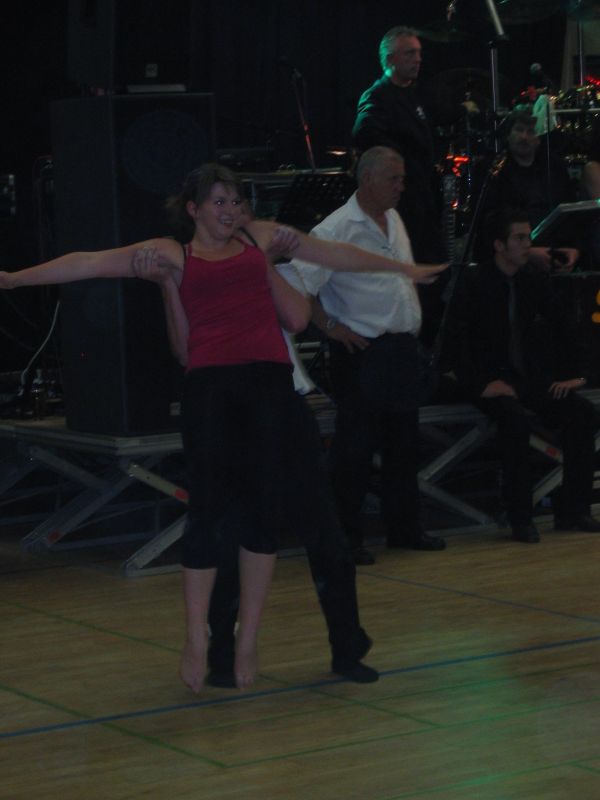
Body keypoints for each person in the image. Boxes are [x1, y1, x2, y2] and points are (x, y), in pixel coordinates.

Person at [0, 163, 446, 693]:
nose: (230, 211)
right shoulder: (173, 254)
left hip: (273, 391)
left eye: (236, 201)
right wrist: (14, 279)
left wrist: (403, 269)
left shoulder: (259, 240)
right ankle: (211, 646)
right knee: (219, 519)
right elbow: (90, 263)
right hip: (213, 393)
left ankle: (311, 644)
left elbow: (333, 256)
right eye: (218, 202)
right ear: (193, 209)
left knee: (299, 523)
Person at [281, 146, 447, 566]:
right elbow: (298, 283)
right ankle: (346, 537)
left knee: (403, 446)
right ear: (367, 178)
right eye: (393, 178)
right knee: (354, 448)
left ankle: (404, 528)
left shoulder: (394, 220)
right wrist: (330, 327)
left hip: (400, 349)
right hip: (361, 351)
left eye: (403, 178)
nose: (401, 186)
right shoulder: (336, 228)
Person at [447, 208, 600, 543]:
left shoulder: (531, 279)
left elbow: (564, 325)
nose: (527, 244)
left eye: (528, 237)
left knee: (582, 413)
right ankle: (521, 517)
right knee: (514, 421)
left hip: (527, 377)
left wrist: (578, 375)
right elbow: (456, 342)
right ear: (499, 245)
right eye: (519, 238)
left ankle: (574, 510)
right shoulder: (475, 283)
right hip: (488, 379)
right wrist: (480, 384)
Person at [352, 25, 476, 343]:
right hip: (401, 208)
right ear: (389, 59)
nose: (418, 59)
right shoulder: (378, 96)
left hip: (423, 202)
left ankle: (430, 348)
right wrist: (398, 163)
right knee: (414, 277)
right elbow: (364, 132)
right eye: (410, 53)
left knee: (435, 274)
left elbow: (434, 118)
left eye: (419, 53)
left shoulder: (415, 95)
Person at [472, 111, 579, 271]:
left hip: (553, 248)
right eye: (519, 130)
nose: (524, 137)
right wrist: (528, 251)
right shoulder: (491, 169)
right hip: (507, 256)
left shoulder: (555, 168)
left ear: (538, 138)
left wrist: (575, 248)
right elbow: (487, 223)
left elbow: (571, 212)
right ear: (508, 135)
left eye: (530, 131)